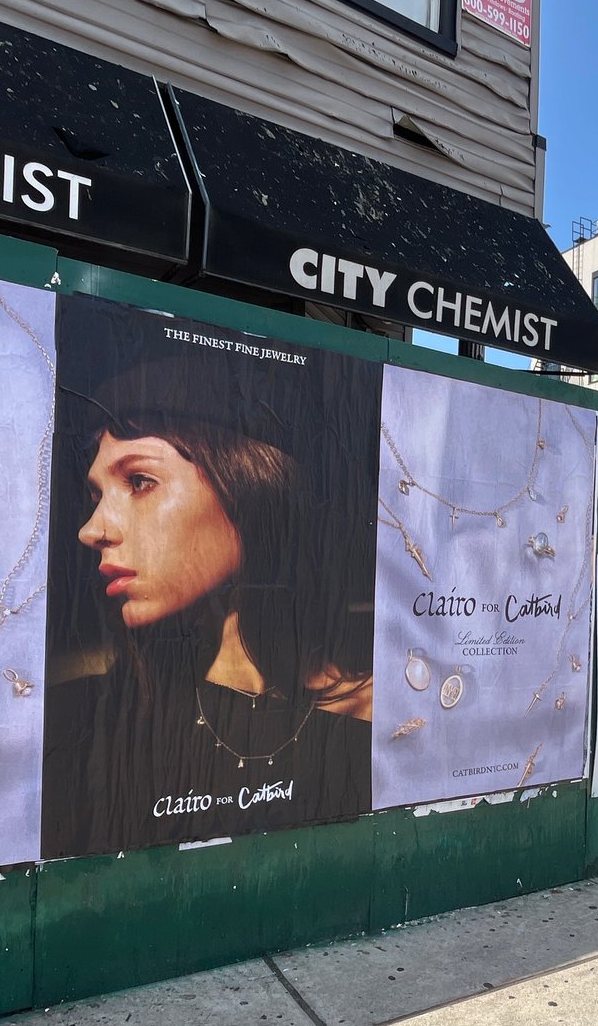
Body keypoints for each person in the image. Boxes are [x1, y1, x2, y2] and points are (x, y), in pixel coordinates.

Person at [45, 298, 377, 857]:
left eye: (141, 481)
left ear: (248, 486)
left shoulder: (379, 717)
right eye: (96, 494)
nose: (92, 528)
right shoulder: (83, 720)